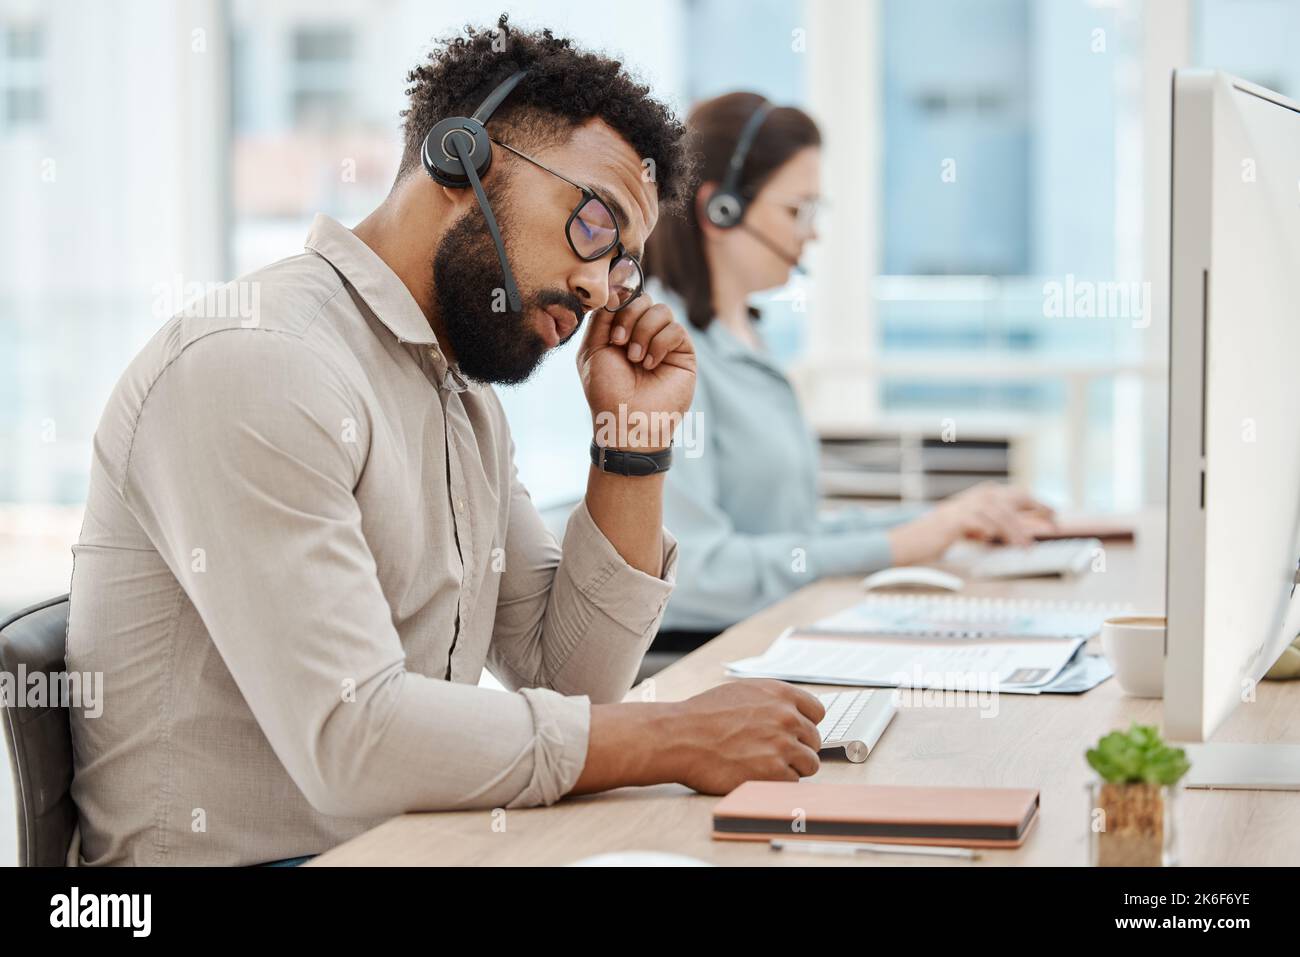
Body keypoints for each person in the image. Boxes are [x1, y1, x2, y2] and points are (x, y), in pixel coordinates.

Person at [66, 18, 826, 867]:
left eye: (624, 265)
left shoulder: (457, 395)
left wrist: (633, 442)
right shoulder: (258, 362)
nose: (599, 285)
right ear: (459, 158)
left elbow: (569, 681)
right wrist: (669, 736)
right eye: (595, 225)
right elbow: (354, 737)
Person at [643, 92, 1054, 639]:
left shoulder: (744, 335)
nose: (811, 232)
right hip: (706, 657)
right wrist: (901, 544)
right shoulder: (661, 344)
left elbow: (799, 534)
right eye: (797, 211)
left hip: (772, 634)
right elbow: (694, 572)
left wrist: (949, 519)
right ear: (721, 210)